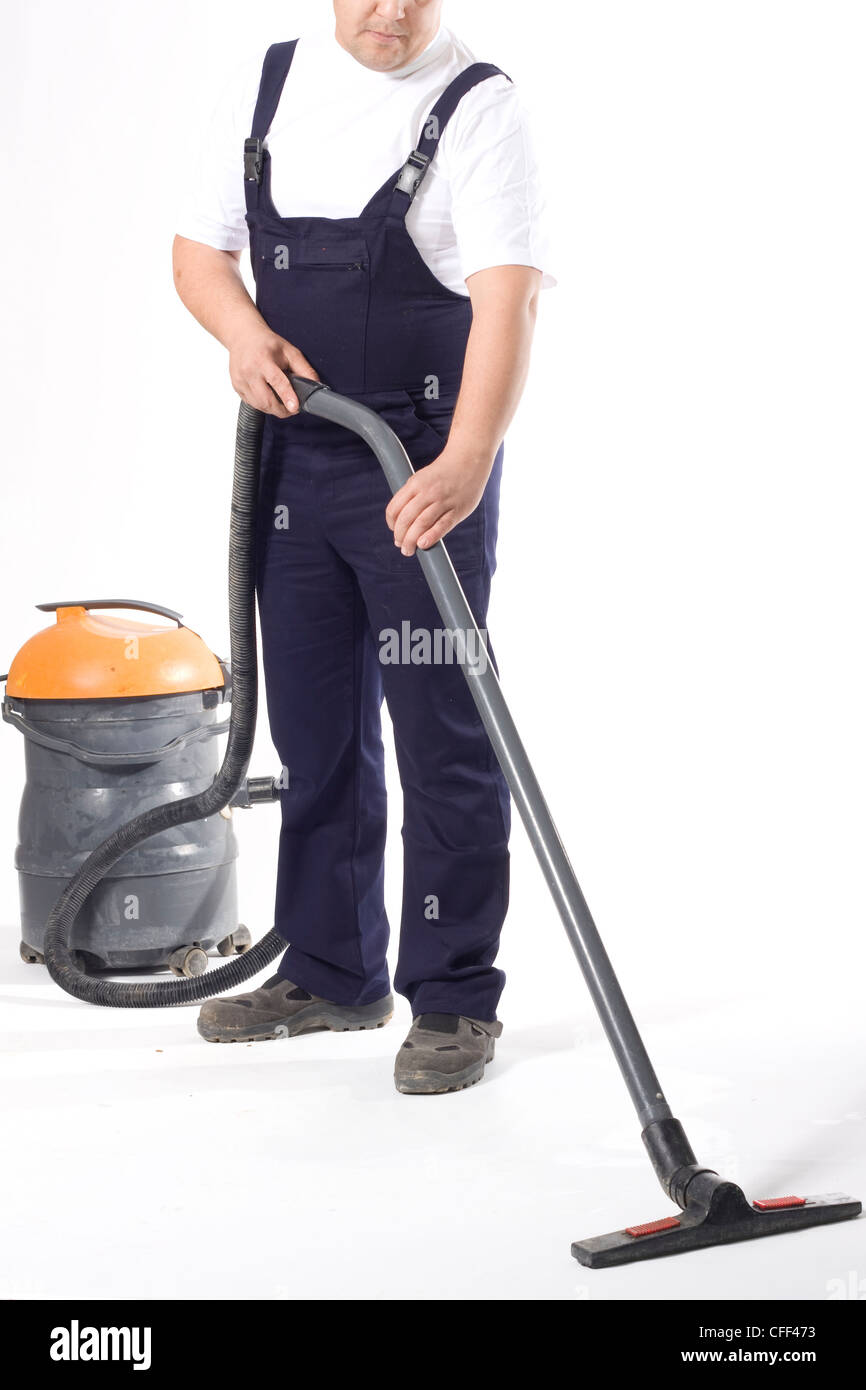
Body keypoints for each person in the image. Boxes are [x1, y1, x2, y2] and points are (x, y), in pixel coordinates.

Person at [172, 0, 554, 1093]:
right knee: (316, 729)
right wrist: (243, 336)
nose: (390, 10)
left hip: (418, 476)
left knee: (441, 732)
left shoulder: (477, 107)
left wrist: (468, 458)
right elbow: (199, 253)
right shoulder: (270, 83)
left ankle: (451, 994)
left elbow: (506, 300)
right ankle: (334, 968)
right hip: (299, 468)